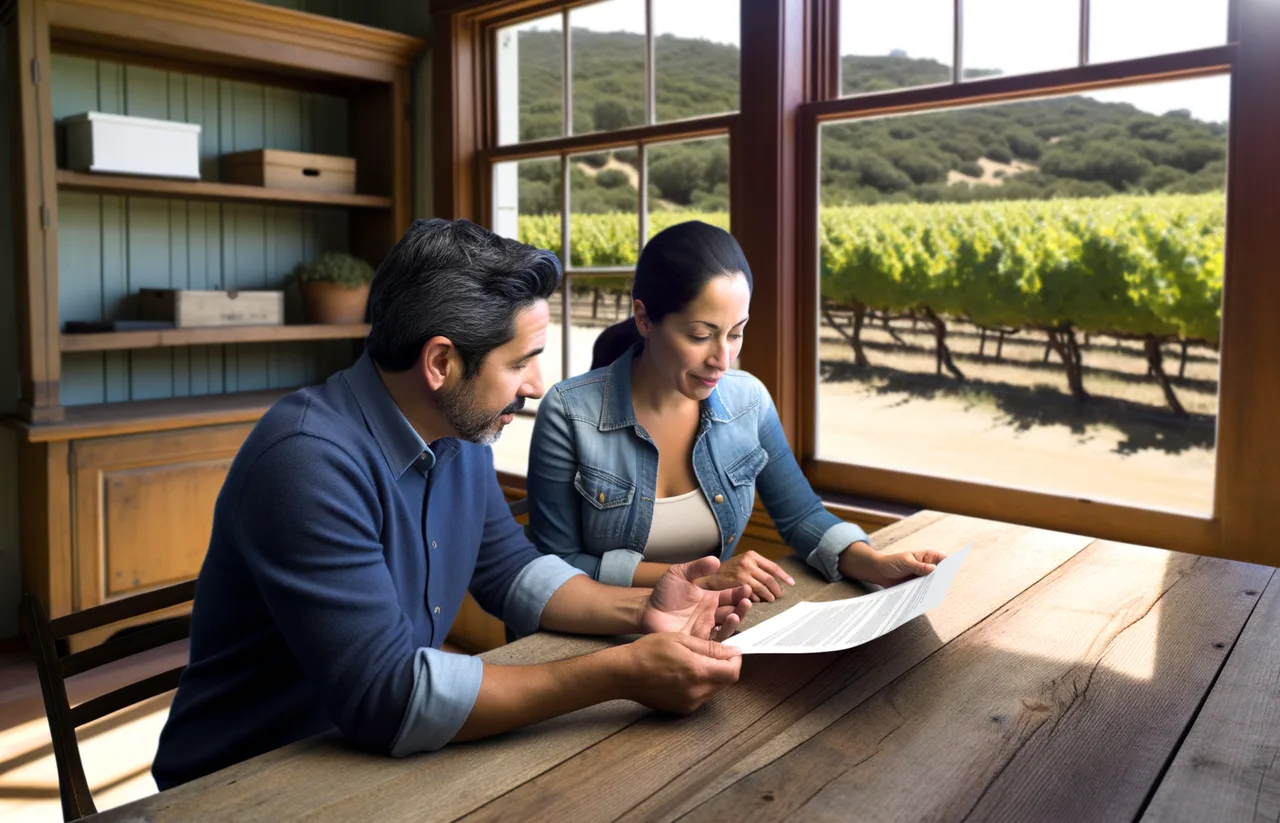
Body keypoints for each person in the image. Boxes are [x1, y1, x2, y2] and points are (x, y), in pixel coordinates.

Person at [151, 219, 752, 791]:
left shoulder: (456, 427)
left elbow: (509, 569)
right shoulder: (306, 461)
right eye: (521, 361)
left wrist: (644, 610)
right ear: (441, 363)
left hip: (368, 762)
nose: (538, 384)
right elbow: (386, 696)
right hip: (246, 782)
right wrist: (622, 674)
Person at [527, 221, 947, 601]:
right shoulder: (569, 413)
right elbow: (557, 564)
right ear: (644, 318)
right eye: (700, 335)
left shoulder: (748, 401)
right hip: (597, 635)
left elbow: (802, 515)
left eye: (736, 333)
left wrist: (873, 564)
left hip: (708, 628)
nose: (722, 359)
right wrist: (693, 578)